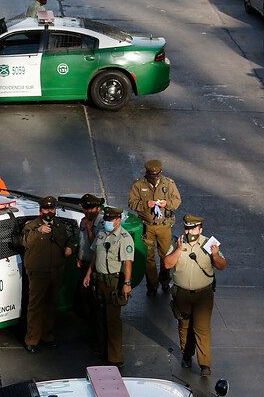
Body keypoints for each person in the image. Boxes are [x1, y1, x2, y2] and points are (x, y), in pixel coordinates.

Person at [163, 215, 227, 377]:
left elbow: (222, 266)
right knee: (184, 326)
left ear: (200, 230)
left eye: (193, 228)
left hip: (203, 295)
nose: (189, 231)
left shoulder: (209, 244)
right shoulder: (177, 243)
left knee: (202, 328)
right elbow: (167, 264)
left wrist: (215, 255)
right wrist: (178, 250)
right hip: (182, 294)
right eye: (187, 228)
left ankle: (205, 364)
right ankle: (186, 353)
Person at [22, 195, 75, 353]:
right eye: (46, 209)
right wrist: (39, 231)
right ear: (40, 210)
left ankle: (47, 336)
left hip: (56, 270)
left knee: (51, 304)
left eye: (51, 209)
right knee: (35, 306)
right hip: (39, 272)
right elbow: (25, 242)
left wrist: (70, 246)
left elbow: (69, 237)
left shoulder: (59, 225)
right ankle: (32, 339)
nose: (49, 212)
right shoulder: (31, 226)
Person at [82, 206, 134, 367]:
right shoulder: (102, 233)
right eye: (106, 221)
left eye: (111, 221)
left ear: (118, 221)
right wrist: (89, 273)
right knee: (100, 316)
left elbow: (127, 264)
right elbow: (95, 254)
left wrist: (127, 283)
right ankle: (102, 348)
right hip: (99, 280)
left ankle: (115, 357)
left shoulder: (124, 238)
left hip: (114, 282)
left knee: (112, 320)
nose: (107, 223)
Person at [128, 159, 181, 296]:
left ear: (161, 172)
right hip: (147, 227)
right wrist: (146, 204)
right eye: (152, 176)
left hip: (164, 227)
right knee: (149, 258)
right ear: (146, 173)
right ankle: (152, 285)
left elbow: (176, 201)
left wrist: (166, 203)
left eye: (157, 175)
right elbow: (132, 203)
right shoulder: (139, 185)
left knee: (166, 256)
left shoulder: (168, 184)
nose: (154, 178)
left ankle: (164, 281)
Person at [74, 193, 104, 320]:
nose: (88, 212)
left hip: (95, 266)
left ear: (98, 209)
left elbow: (96, 246)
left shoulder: (102, 224)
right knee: (80, 301)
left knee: (94, 301)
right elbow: (81, 242)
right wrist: (79, 257)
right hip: (84, 265)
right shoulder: (83, 221)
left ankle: (94, 330)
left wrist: (90, 229)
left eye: (91, 209)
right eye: (86, 209)